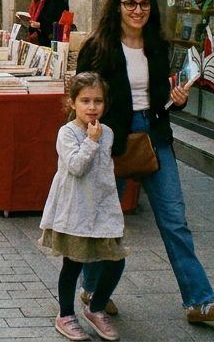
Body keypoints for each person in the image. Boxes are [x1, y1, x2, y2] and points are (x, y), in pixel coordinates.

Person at [75, 0, 214, 325]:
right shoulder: (98, 47)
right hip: (110, 139)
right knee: (103, 220)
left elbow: (160, 103)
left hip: (154, 135)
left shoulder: (157, 45)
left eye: (144, 3)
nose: (138, 10)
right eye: (130, 3)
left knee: (174, 219)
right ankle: (91, 288)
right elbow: (82, 96)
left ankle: (200, 301)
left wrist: (175, 101)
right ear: (117, 6)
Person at [39, 71, 127, 341]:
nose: (92, 107)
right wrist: (91, 141)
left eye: (98, 101)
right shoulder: (67, 133)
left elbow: (105, 171)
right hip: (75, 209)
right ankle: (65, 314)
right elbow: (76, 166)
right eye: (85, 101)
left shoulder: (107, 132)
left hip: (102, 208)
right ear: (72, 103)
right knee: (74, 263)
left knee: (116, 260)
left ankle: (96, 307)